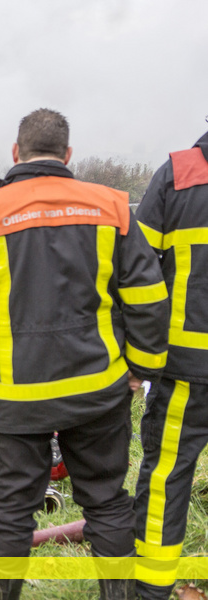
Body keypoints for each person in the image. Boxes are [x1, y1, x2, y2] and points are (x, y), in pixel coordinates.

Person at [0, 108, 169, 600]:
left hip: (17, 397)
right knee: (107, 503)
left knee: (11, 511)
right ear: (68, 154)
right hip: (98, 389)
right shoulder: (112, 207)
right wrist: (142, 366)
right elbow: (148, 296)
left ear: (16, 153)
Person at [133, 126, 208, 600]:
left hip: (186, 366)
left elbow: (136, 271)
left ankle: (152, 587)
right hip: (185, 366)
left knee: (167, 474)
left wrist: (138, 357)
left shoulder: (178, 175)